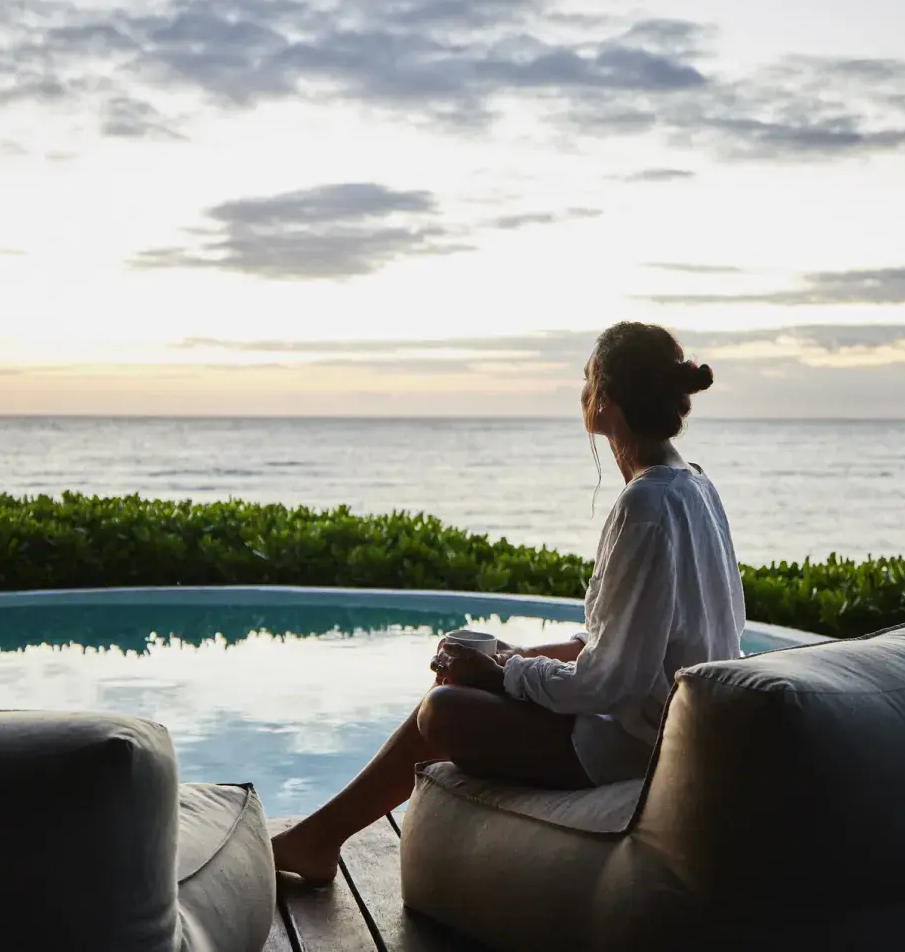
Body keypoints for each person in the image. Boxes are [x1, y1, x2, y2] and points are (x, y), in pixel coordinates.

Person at [270, 321, 747, 887]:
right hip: (654, 724)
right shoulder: (692, 484)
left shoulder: (646, 503)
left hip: (635, 747)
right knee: (461, 678)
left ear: (606, 397)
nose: (582, 393)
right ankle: (321, 838)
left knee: (441, 711)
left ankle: (320, 838)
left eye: (587, 378)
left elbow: (607, 683)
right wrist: (509, 655)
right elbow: (632, 642)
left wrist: (506, 674)